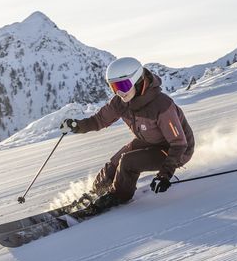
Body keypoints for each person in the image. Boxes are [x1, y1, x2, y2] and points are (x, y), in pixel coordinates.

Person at [60, 57, 195, 214]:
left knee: (128, 162)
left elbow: (179, 144)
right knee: (115, 161)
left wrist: (165, 175)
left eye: (123, 85)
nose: (119, 92)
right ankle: (97, 191)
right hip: (150, 141)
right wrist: (77, 126)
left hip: (176, 150)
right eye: (114, 87)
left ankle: (117, 196)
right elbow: (99, 120)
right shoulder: (120, 102)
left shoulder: (162, 106)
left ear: (138, 81)